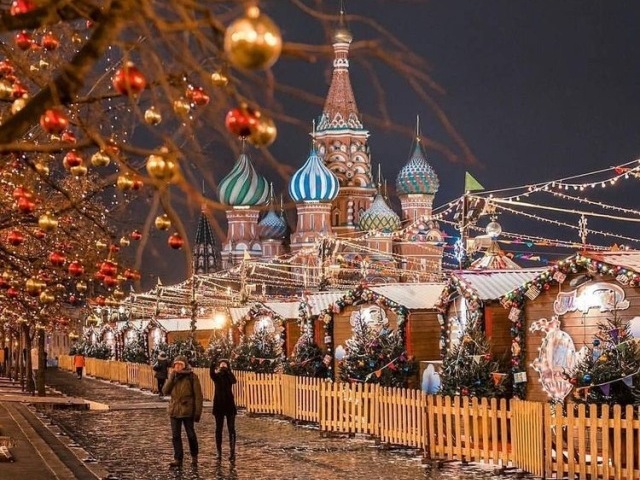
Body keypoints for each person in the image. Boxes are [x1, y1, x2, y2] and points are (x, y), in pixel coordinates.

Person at [163, 355, 203, 469]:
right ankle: (178, 458)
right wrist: (172, 378)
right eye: (176, 365)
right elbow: (165, 390)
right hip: (174, 410)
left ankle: (194, 455)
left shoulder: (192, 377)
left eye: (180, 364)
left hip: (187, 410)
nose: (178, 367)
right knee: (176, 435)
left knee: (190, 435)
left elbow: (198, 395)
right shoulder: (173, 376)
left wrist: (197, 412)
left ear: (184, 365)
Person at [210, 358, 237, 462]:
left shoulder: (229, 376)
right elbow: (211, 374)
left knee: (231, 429)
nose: (223, 365)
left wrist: (228, 371)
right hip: (219, 406)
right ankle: (219, 452)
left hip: (229, 405)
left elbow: (234, 381)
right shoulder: (217, 376)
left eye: (225, 364)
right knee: (218, 429)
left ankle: (232, 452)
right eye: (221, 364)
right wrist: (212, 363)